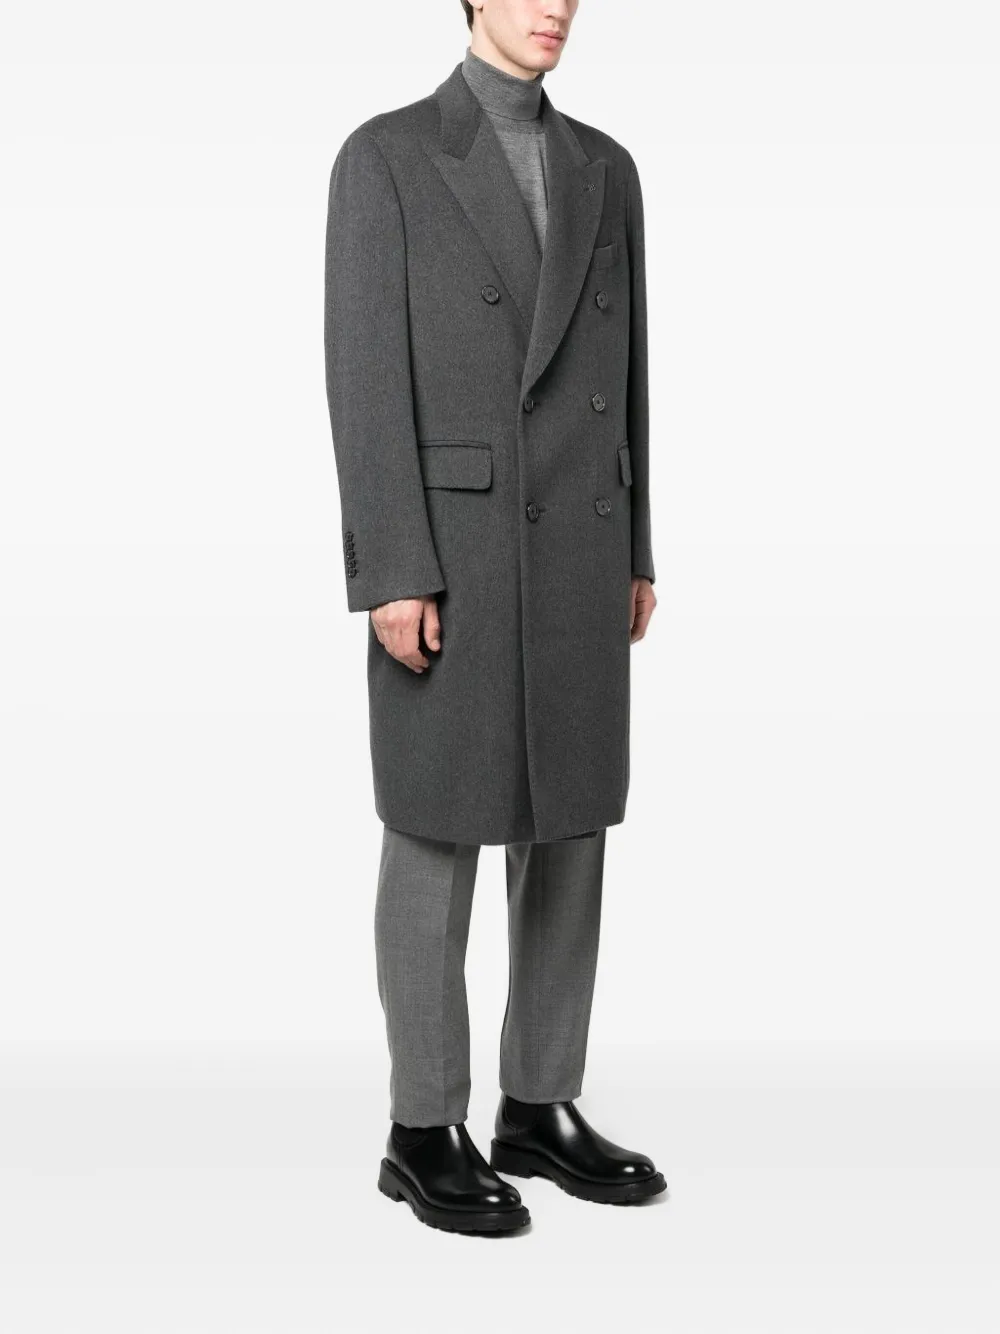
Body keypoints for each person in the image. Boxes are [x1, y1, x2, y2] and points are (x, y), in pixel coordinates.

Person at [324, 0, 664, 1234]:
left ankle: (539, 1102)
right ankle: (422, 1125)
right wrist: (392, 568)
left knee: (570, 826)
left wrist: (634, 544)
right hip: (453, 555)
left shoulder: (606, 167)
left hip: (580, 544)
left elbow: (628, 378)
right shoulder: (388, 156)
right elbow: (363, 377)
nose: (554, 6)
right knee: (435, 824)